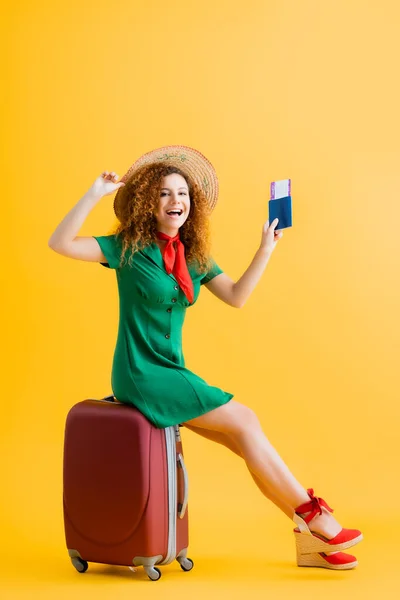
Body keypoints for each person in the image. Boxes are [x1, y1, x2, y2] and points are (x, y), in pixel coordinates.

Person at [48, 144, 363, 570]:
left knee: (242, 439)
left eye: (182, 193)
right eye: (163, 193)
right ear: (147, 202)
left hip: (173, 371)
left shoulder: (193, 256)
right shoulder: (126, 248)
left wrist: (266, 247)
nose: (175, 201)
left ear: (191, 204)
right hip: (140, 373)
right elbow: (60, 242)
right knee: (246, 421)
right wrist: (94, 194)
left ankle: (310, 540)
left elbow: (236, 297)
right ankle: (316, 515)